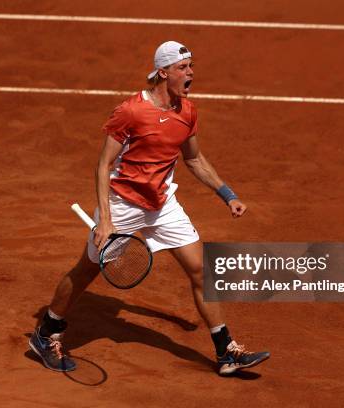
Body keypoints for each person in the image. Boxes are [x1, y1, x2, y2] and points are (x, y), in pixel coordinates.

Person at [29, 41, 270, 375]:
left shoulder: (187, 111)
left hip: (162, 203)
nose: (191, 74)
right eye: (183, 68)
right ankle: (46, 333)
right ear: (163, 72)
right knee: (86, 270)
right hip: (122, 204)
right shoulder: (130, 111)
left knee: (201, 270)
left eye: (191, 66)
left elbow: (195, 159)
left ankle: (226, 352)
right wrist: (106, 222)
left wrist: (227, 194)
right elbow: (103, 166)